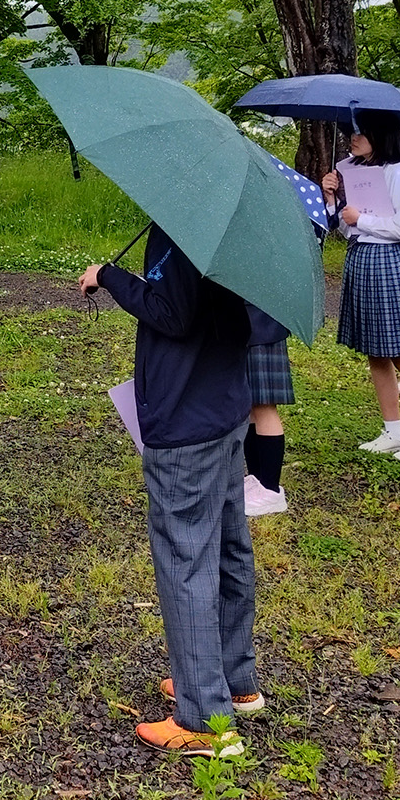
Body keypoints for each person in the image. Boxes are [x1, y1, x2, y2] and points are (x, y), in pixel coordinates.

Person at [83, 228, 257, 758]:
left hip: (185, 421)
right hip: (225, 404)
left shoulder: (178, 229)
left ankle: (205, 718)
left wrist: (109, 277)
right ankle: (233, 677)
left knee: (186, 560)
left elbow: (173, 313)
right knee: (228, 545)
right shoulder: (231, 230)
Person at [321, 113, 400, 462]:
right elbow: (346, 229)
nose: (352, 138)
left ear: (381, 134)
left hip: (391, 261)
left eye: (360, 133)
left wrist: (362, 219)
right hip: (361, 257)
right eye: (350, 132)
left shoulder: (399, 173)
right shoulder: (354, 172)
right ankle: (393, 430)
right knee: (376, 351)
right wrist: (333, 201)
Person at [243, 306, 293, 517]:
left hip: (263, 327)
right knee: (250, 406)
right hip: (246, 327)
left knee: (264, 407)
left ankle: (271, 490)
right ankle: (257, 481)